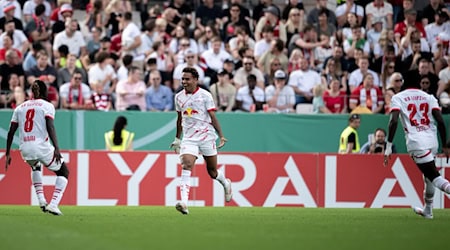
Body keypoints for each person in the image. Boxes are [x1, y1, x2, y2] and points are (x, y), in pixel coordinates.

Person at [384, 78, 450, 219]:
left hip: (416, 142)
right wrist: (444, 145)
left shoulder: (398, 97)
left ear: (403, 85)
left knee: (434, 176)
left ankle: (428, 210)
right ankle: (428, 210)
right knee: (429, 177)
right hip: (432, 142)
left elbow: (394, 120)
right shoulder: (429, 97)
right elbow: (440, 121)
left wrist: (388, 145)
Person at [170, 67, 232, 215]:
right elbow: (180, 118)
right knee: (187, 164)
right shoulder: (178, 97)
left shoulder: (205, 96)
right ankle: (184, 203)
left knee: (212, 171)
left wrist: (221, 135)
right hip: (189, 138)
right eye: (182, 79)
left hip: (206, 137)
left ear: (195, 80)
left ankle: (225, 183)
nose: (184, 82)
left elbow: (213, 116)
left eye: (187, 79)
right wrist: (178, 138)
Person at [5, 80, 69, 216]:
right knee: (63, 171)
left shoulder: (20, 107)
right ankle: (53, 204)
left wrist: (8, 153)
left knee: (35, 166)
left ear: (31, 92)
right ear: (45, 91)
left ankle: (41, 200)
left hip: (25, 148)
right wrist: (57, 148)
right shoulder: (47, 106)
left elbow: (11, 131)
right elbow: (50, 126)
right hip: (41, 146)